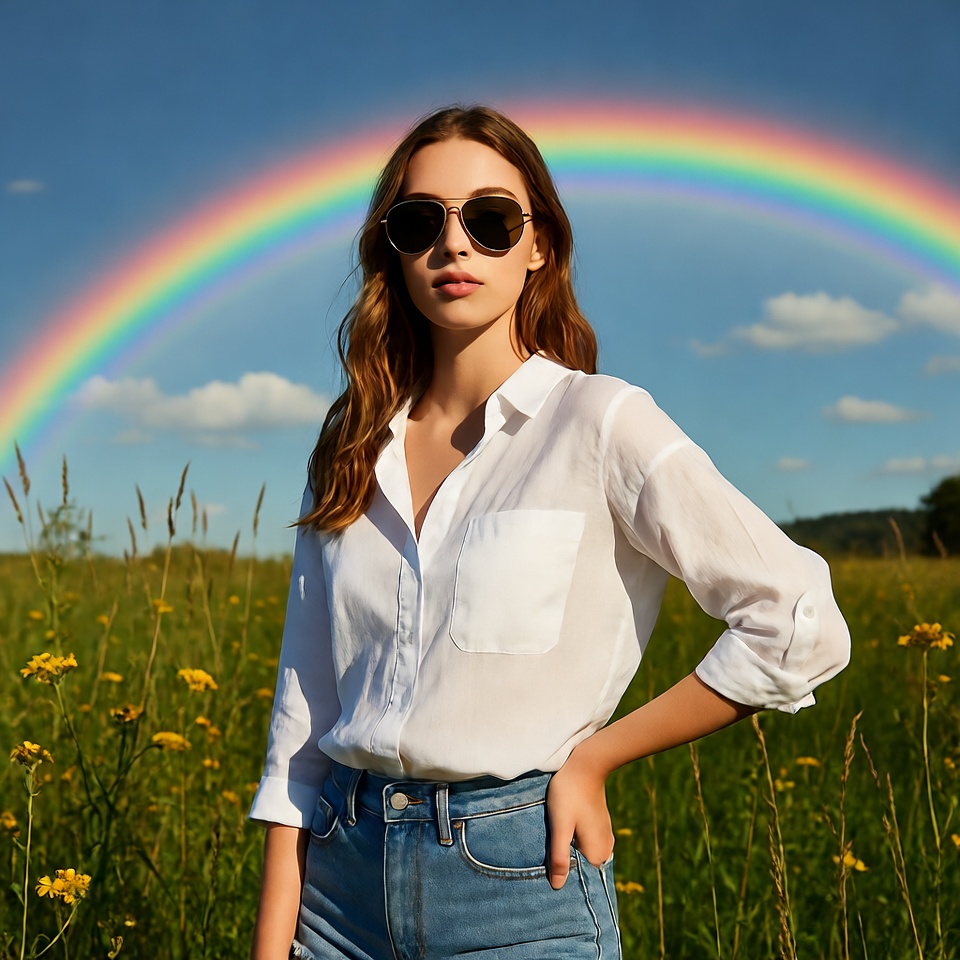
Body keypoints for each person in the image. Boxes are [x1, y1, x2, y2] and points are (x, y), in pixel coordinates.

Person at [248, 105, 850, 960]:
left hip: (523, 882)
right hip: (337, 893)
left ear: (539, 245)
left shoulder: (601, 422)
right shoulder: (350, 449)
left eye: (490, 220)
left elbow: (797, 618)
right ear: (393, 251)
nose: (453, 245)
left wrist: (598, 757)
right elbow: (301, 727)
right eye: (419, 222)